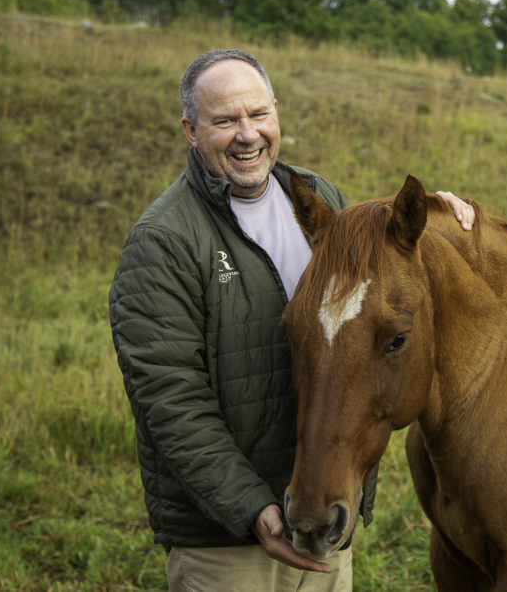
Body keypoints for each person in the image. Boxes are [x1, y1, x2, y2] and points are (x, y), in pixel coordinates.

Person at [108, 49, 474, 592]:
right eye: (224, 120)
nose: (247, 134)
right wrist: (252, 509)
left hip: (320, 513)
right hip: (227, 545)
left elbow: (387, 284)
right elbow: (169, 403)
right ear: (191, 130)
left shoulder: (317, 199)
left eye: (258, 114)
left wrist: (441, 218)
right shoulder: (164, 241)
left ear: (276, 111)